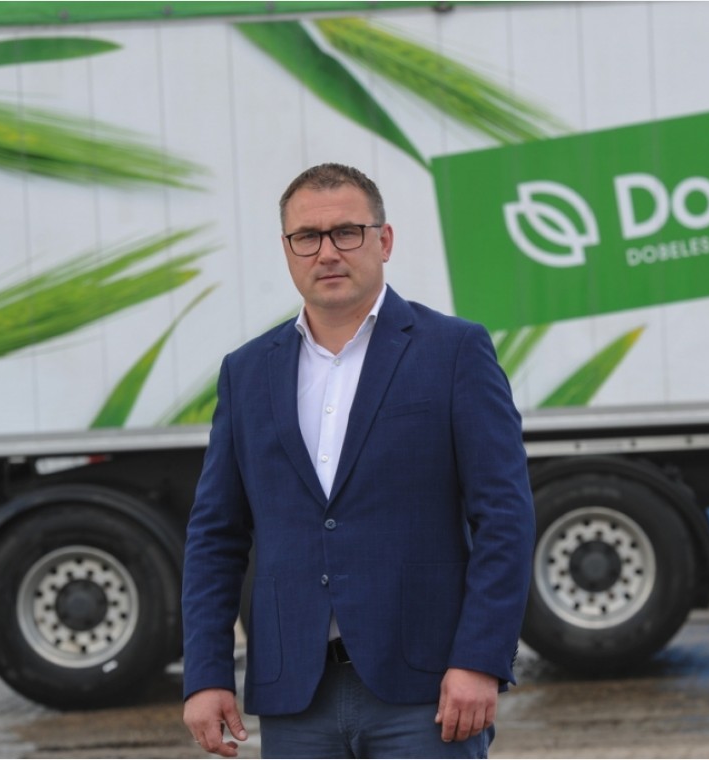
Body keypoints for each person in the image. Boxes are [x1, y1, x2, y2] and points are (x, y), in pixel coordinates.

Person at [181, 163, 536, 759]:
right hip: (296, 696)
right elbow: (215, 536)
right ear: (287, 250)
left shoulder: (454, 351)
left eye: (347, 232)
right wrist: (206, 674)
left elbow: (505, 517)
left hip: (426, 691)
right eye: (307, 237)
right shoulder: (246, 372)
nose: (327, 252)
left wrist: (479, 659)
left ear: (384, 240)